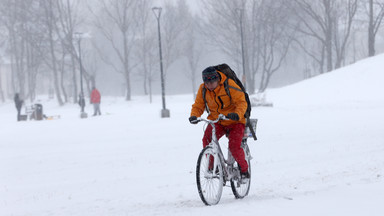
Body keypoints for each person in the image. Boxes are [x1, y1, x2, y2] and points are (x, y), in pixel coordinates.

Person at [189, 66, 250, 179]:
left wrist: (237, 114)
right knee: (207, 139)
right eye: (207, 83)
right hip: (218, 121)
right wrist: (194, 115)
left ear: (217, 79)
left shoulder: (229, 84)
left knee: (234, 146)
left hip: (235, 121)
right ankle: (214, 168)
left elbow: (241, 102)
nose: (209, 85)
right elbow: (198, 105)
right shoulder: (203, 89)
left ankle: (244, 170)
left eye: (212, 82)